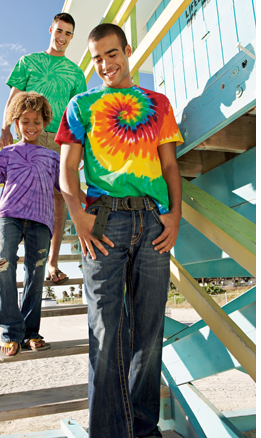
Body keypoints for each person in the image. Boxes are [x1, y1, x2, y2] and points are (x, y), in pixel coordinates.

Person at [55, 23, 184, 438]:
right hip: (104, 224)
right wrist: (79, 216)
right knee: (105, 332)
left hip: (153, 223)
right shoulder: (81, 104)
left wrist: (175, 214)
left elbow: (169, 165)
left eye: (112, 54)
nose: (105, 64)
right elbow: (66, 168)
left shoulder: (157, 103)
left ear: (127, 51)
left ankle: (144, 431)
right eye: (97, 58)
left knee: (149, 332)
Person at [0, 92, 61, 360]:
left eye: (37, 122)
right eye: (25, 121)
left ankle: (30, 332)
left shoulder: (51, 157)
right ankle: (10, 332)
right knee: (3, 262)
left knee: (36, 272)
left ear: (45, 123)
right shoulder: (7, 153)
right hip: (10, 215)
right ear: (16, 123)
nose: (31, 127)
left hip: (41, 218)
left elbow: (65, 190)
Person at [0, 13, 87, 286]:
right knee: (22, 190)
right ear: (51, 30)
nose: (62, 37)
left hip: (61, 140)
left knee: (60, 197)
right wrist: (5, 127)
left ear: (72, 37)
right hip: (29, 135)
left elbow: (79, 113)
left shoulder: (76, 73)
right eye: (59, 31)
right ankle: (9, 255)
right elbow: (14, 97)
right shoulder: (28, 62)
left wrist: (82, 147)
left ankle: (52, 261)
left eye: (68, 33)